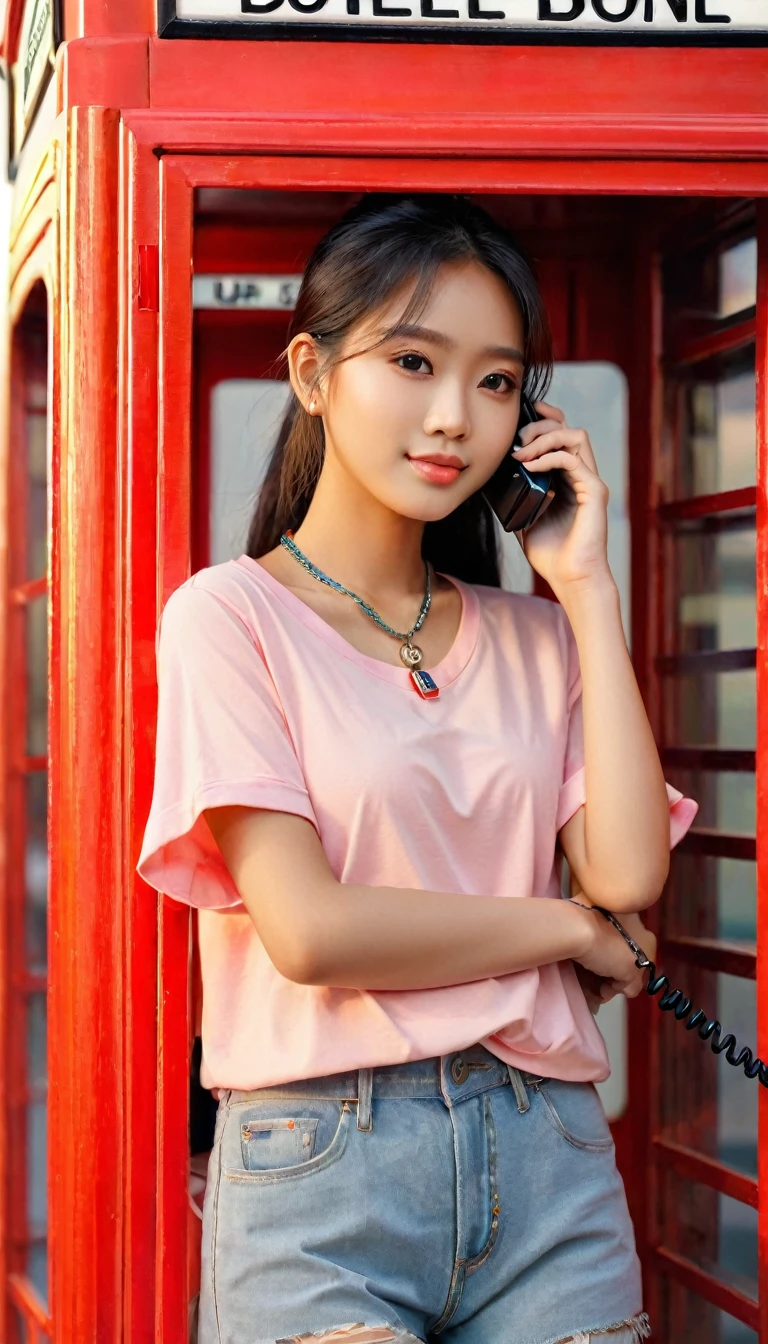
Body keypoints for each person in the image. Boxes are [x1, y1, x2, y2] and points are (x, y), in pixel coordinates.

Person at [137, 193, 697, 1344]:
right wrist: (562, 932)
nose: (455, 417)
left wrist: (584, 586)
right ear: (310, 371)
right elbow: (311, 932)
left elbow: (629, 874)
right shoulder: (229, 619)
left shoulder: (541, 637)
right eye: (410, 360)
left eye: (496, 382)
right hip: (320, 1168)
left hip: (547, 1159)